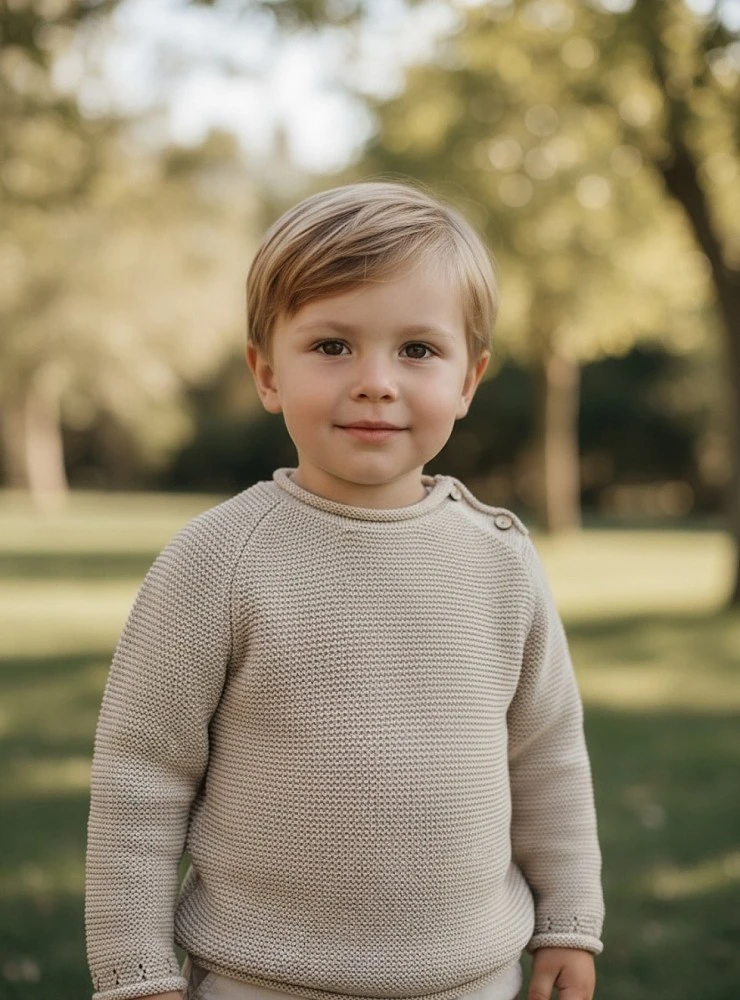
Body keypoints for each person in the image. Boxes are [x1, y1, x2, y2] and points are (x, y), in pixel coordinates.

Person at [84, 179, 605, 1000]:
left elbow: (547, 756)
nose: (375, 381)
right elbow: (138, 778)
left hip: (476, 979)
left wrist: (568, 919)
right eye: (332, 346)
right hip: (263, 981)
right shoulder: (216, 561)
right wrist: (135, 970)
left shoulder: (501, 561)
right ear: (266, 373)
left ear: (469, 380)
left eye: (418, 350)